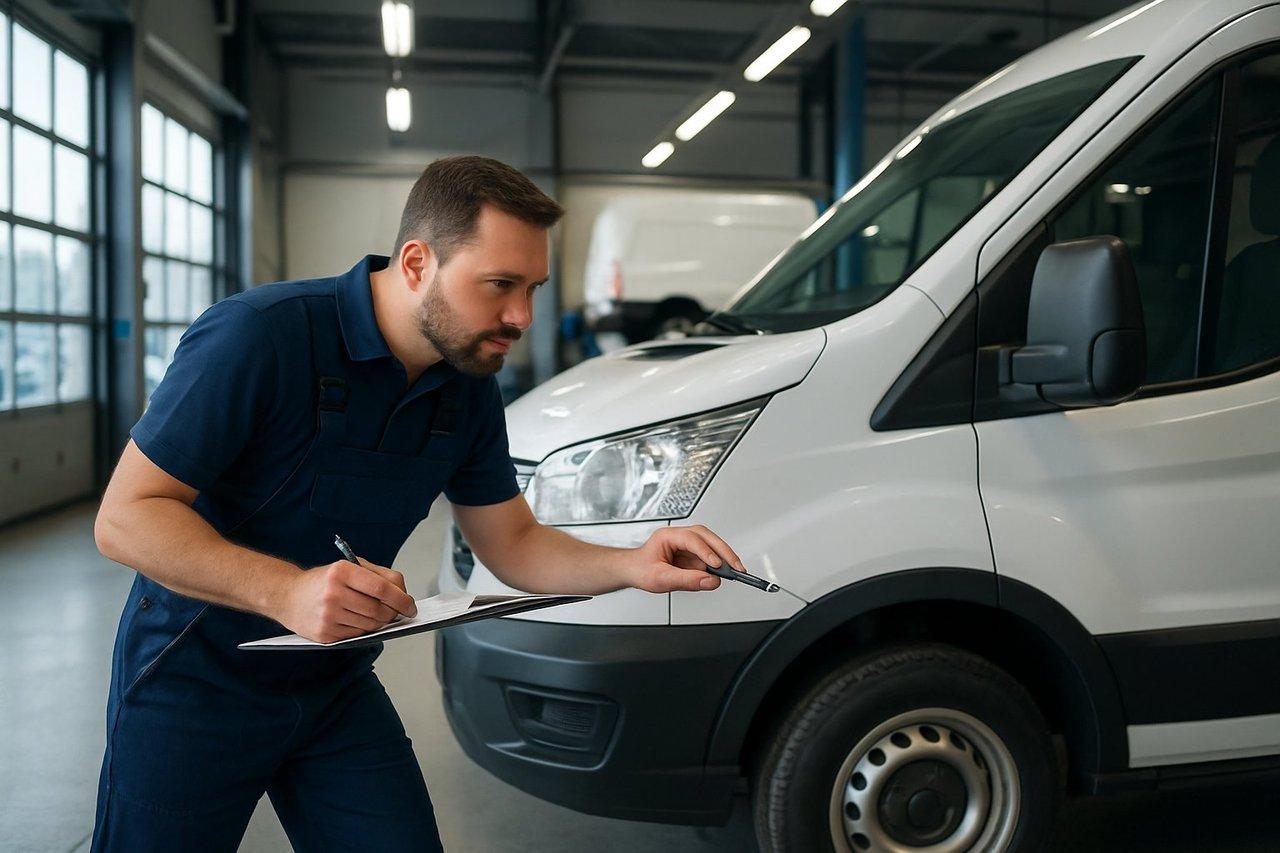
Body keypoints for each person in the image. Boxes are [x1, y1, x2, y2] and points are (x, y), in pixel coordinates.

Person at [90, 156, 749, 851]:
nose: (521, 316)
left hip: (331, 687)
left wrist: (633, 563)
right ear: (415, 263)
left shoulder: (465, 387)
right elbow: (127, 516)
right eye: (499, 285)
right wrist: (285, 589)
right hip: (194, 687)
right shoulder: (258, 336)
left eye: (532, 288)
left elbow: (513, 543)